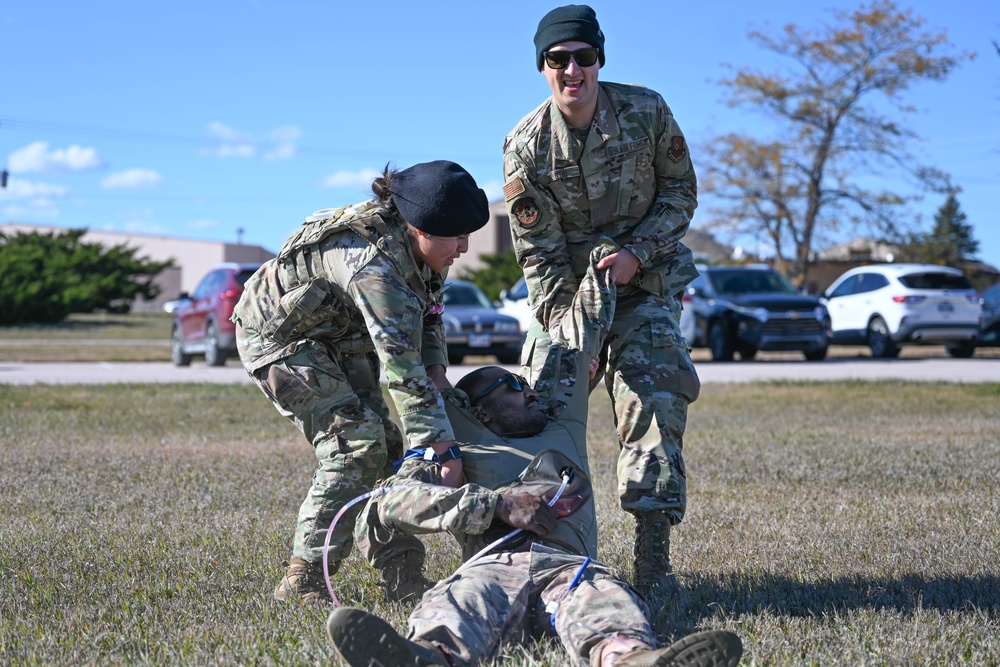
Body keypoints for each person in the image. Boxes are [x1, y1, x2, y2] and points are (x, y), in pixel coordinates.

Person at [328, 246, 742, 667]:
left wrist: (603, 263)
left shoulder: (562, 420)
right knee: (459, 600)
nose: (529, 389)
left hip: (569, 567)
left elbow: (576, 327)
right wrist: (495, 505)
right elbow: (386, 506)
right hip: (491, 568)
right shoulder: (450, 439)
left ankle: (631, 660)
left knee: (602, 598)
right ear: (479, 409)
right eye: (510, 384)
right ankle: (426, 659)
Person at [502, 4, 701, 598]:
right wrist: (577, 337)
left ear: (599, 61)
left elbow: (681, 192)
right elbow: (538, 255)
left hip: (646, 285)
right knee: (534, 409)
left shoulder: (646, 111)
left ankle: (652, 561)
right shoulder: (525, 147)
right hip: (570, 298)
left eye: (582, 58)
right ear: (542, 67)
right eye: (558, 60)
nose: (572, 70)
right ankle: (534, 551)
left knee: (653, 398)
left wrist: (639, 250)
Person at [231, 160, 489, 602]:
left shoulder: (426, 247)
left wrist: (439, 376)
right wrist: (441, 448)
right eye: (458, 237)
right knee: (357, 444)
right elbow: (401, 369)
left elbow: (429, 317)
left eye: (469, 235)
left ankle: (402, 576)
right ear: (421, 227)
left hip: (342, 334)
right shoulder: (372, 266)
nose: (464, 248)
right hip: (281, 339)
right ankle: (304, 578)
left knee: (390, 451)